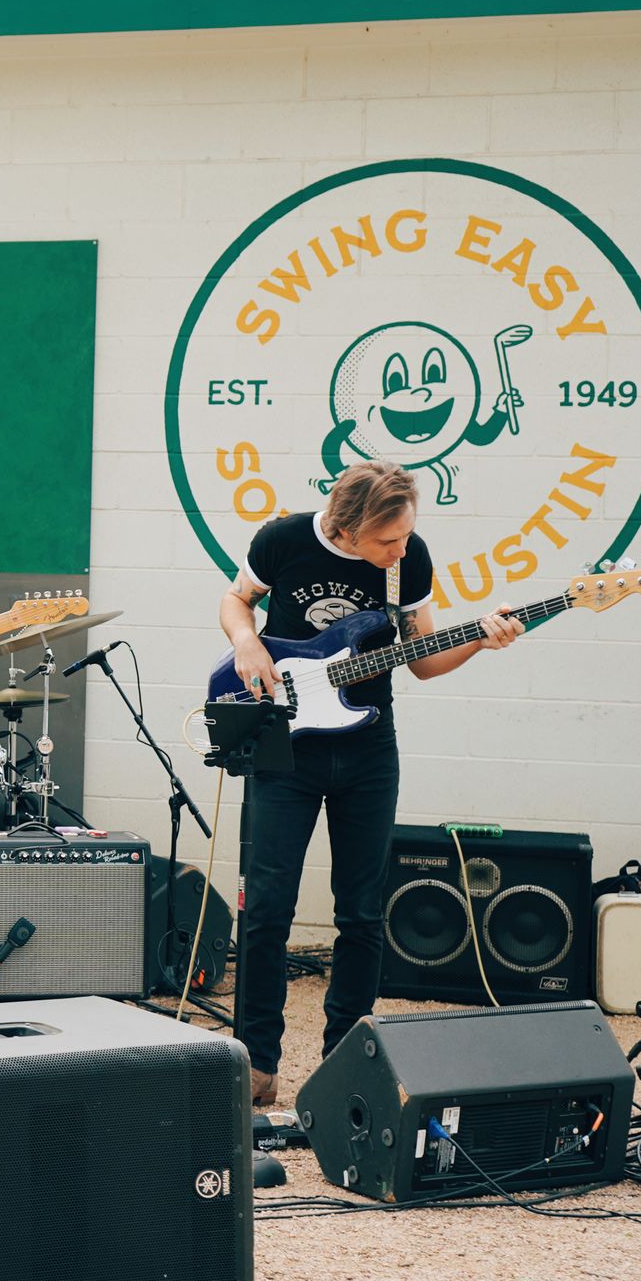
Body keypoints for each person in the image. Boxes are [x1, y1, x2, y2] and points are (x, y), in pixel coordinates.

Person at [218, 460, 522, 1106]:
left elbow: (425, 661)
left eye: (406, 536)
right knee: (268, 905)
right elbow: (235, 599)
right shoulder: (285, 540)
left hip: (367, 750)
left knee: (361, 913)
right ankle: (257, 1063)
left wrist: (480, 641)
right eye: (388, 541)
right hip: (285, 747)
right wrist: (247, 640)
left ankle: (341, 1065)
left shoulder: (407, 563)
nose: (401, 549)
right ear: (346, 527)